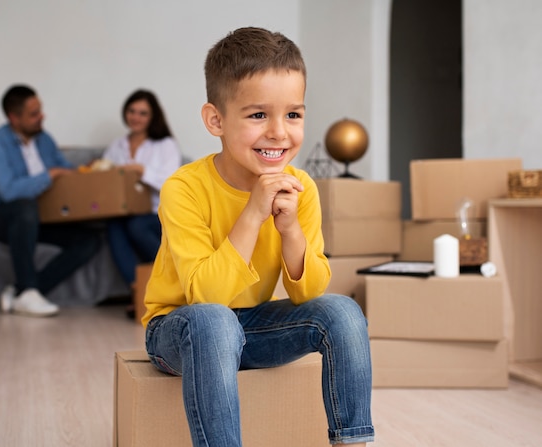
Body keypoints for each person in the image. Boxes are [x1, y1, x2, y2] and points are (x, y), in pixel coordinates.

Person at [142, 27, 374, 446]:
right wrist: (252, 214)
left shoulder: (300, 186)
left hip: (251, 327)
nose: (279, 133)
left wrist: (291, 232)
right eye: (257, 115)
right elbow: (207, 297)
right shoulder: (184, 187)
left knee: (343, 313)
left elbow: (310, 292)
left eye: (293, 115)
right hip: (181, 329)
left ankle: (353, 440)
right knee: (216, 321)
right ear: (216, 120)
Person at [0, 84, 101, 317]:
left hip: (40, 215)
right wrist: (49, 175)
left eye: (40, 110)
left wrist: (83, 173)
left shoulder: (44, 139)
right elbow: (9, 191)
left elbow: (63, 169)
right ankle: (29, 289)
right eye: (33, 114)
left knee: (89, 239)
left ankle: (22, 291)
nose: (41, 117)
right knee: (24, 206)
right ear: (14, 118)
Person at [102, 89, 181, 290]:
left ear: (152, 116)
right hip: (127, 213)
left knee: (137, 225)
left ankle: (174, 277)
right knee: (114, 225)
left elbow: (171, 184)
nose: (135, 117)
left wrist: (141, 170)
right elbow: (106, 178)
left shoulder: (165, 145)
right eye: (132, 111)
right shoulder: (117, 145)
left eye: (142, 113)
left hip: (157, 213)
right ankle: (138, 289)